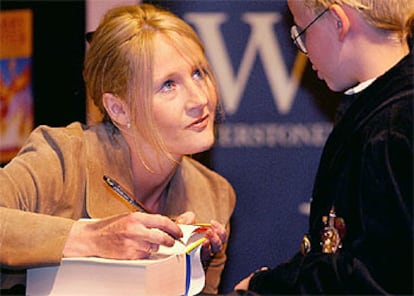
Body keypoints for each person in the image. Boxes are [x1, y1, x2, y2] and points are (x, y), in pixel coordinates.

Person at [0, 3, 236, 295]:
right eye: (168, 85)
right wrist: (94, 237)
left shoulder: (214, 195)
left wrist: (192, 267)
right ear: (118, 109)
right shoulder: (63, 159)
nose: (200, 99)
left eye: (199, 73)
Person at [234, 0, 413, 294]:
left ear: (338, 21)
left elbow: (381, 276)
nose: (302, 49)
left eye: (302, 31)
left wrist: (270, 287)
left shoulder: (394, 128)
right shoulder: (378, 110)